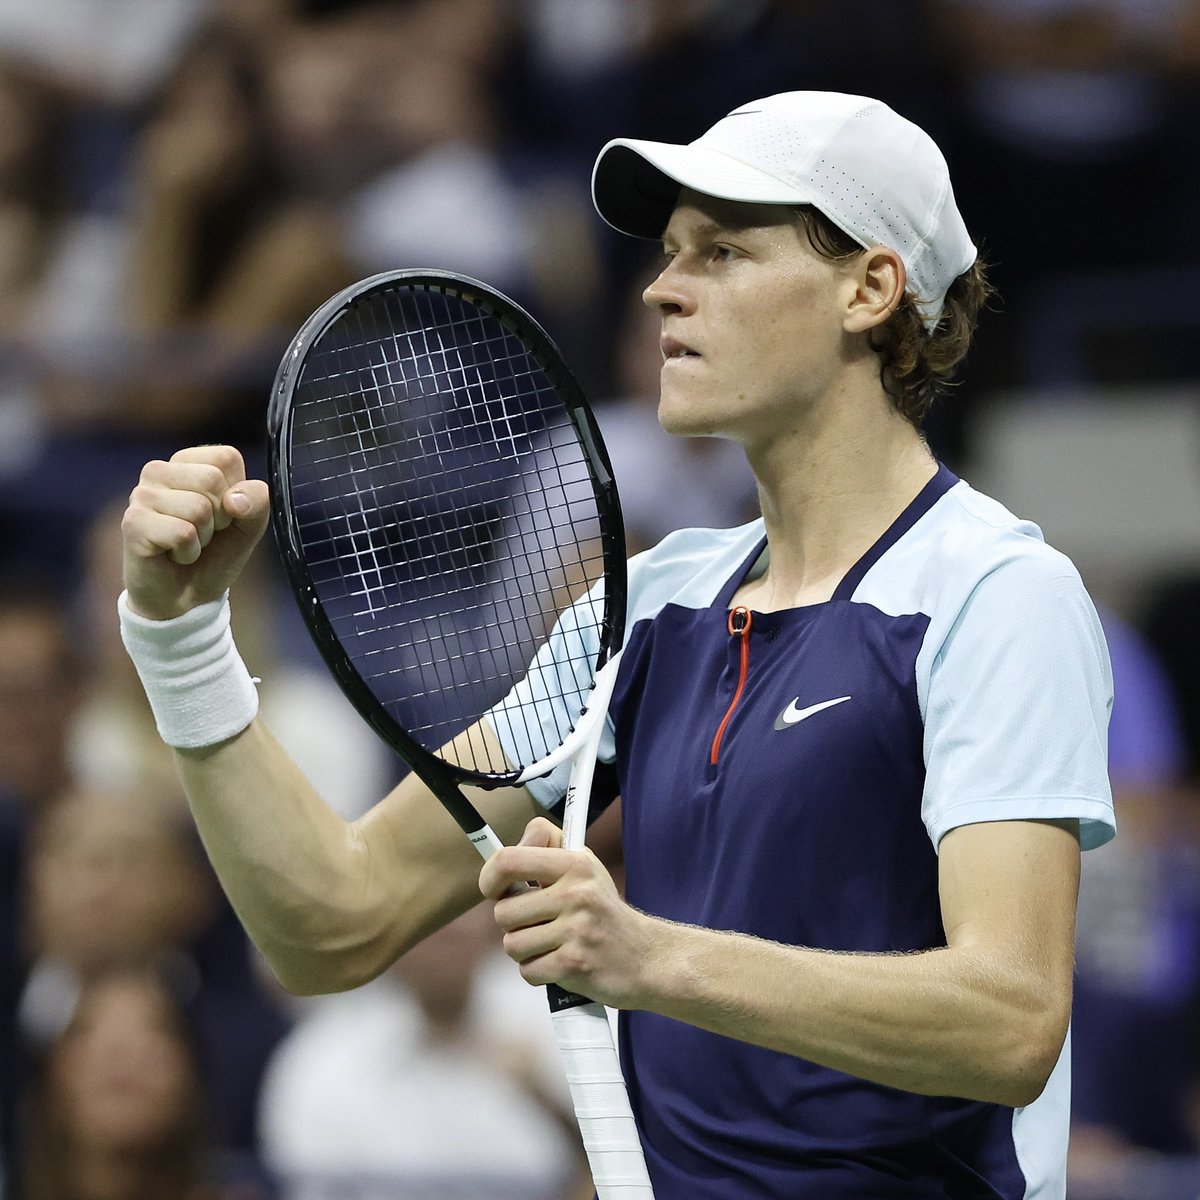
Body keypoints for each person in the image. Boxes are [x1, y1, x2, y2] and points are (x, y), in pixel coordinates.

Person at [117, 91, 1116, 1197]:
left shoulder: (997, 597)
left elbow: (1011, 1020)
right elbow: (337, 922)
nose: (661, 288)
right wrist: (181, 637)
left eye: (724, 252)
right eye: (669, 252)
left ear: (870, 290)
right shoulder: (646, 612)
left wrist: (646, 956)